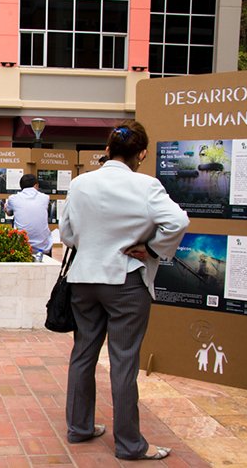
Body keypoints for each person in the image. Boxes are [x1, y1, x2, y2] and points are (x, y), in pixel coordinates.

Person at [59, 121, 189, 460]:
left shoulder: (80, 183)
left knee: (83, 354)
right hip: (126, 281)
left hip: (84, 280)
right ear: (142, 153)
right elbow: (177, 222)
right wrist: (153, 248)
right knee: (123, 362)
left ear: (107, 149)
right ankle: (130, 444)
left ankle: (79, 428)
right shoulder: (146, 185)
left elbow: (68, 235)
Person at [4, 174, 53, 255]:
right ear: (36, 185)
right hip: (43, 248)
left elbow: (8, 212)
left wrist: (5, 207)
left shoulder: (13, 198)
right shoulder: (45, 198)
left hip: (22, 247)